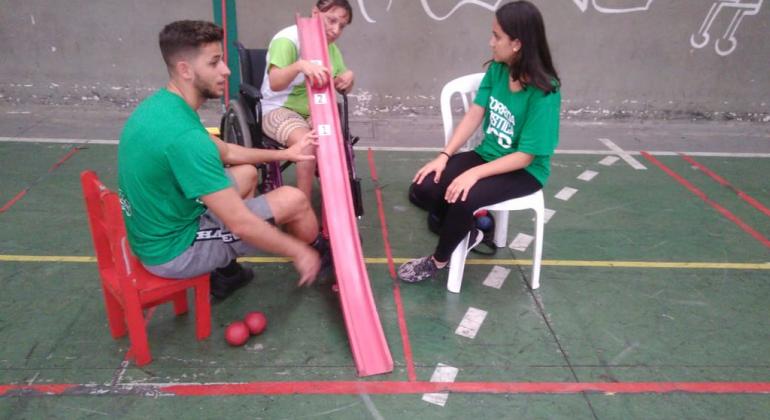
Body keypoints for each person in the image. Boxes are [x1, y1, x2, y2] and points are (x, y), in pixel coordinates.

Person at [118, 20, 330, 299]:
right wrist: (298, 251)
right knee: (295, 201)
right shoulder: (186, 139)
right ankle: (319, 253)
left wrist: (287, 154)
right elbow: (241, 223)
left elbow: (226, 152)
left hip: (159, 222)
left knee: (246, 174)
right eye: (215, 62)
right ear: (185, 69)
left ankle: (226, 272)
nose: (226, 70)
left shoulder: (161, 106)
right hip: (175, 250)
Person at [398, 1, 561, 283]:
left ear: (517, 44)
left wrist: (472, 174)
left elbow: (525, 156)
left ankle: (438, 261)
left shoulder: (544, 92)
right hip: (488, 155)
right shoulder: (498, 70)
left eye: (497, 36)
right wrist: (444, 156)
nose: (491, 42)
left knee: (463, 196)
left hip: (524, 171)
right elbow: (475, 114)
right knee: (424, 187)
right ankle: (471, 230)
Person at [260, 0, 355, 199]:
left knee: (334, 143)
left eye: (342, 26)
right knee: (308, 144)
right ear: (315, 13)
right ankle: (301, 205)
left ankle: (337, 202)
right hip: (278, 108)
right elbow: (275, 82)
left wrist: (348, 79)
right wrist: (299, 66)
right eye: (331, 20)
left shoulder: (330, 47)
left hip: (314, 111)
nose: (335, 30)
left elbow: (338, 82)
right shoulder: (287, 39)